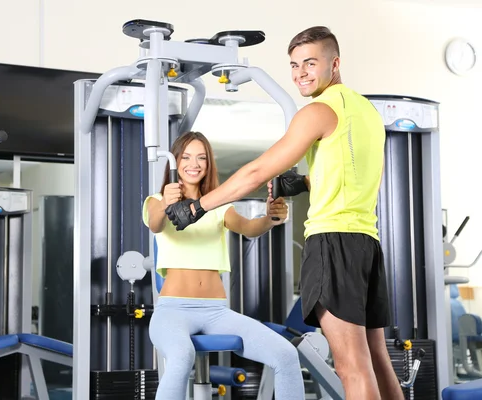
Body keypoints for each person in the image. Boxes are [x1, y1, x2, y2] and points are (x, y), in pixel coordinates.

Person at [164, 27, 404, 400]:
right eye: (294, 65)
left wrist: (198, 207)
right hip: (365, 244)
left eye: (310, 63)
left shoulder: (317, 111)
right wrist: (307, 183)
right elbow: (356, 174)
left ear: (334, 64)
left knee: (352, 368)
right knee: (377, 361)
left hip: (332, 242)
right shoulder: (366, 110)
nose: (300, 74)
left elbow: (257, 172)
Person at [143, 131, 305, 400]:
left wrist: (270, 218)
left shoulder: (217, 206)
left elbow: (249, 229)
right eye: (186, 157)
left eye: (201, 158)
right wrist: (165, 202)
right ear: (175, 163)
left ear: (208, 164)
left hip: (217, 312)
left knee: (286, 354)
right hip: (173, 311)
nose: (193, 164)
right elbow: (154, 223)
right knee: (182, 356)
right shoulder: (156, 200)